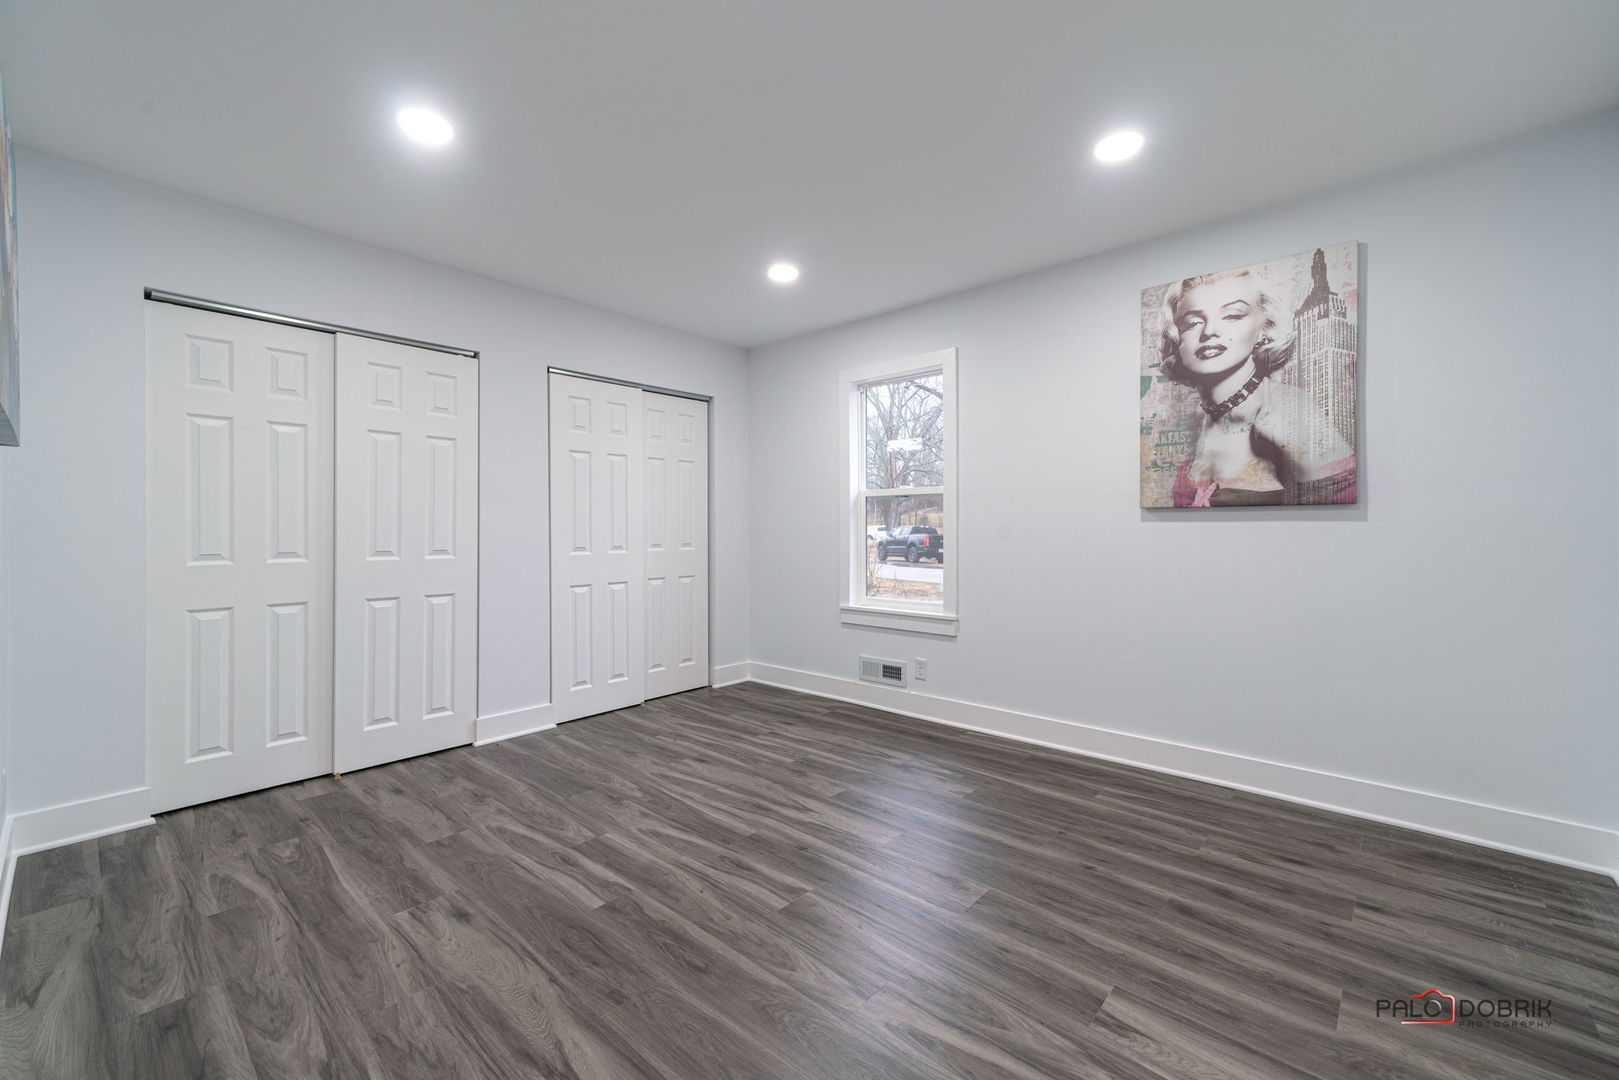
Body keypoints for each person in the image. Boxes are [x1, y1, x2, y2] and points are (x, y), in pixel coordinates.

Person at [1158, 269, 1355, 506]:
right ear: (1177, 339)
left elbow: (1347, 495)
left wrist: (1266, 499)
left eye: (1232, 316)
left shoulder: (1287, 407)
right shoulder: (1197, 420)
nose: (1209, 331)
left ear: (1264, 328)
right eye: (1193, 323)